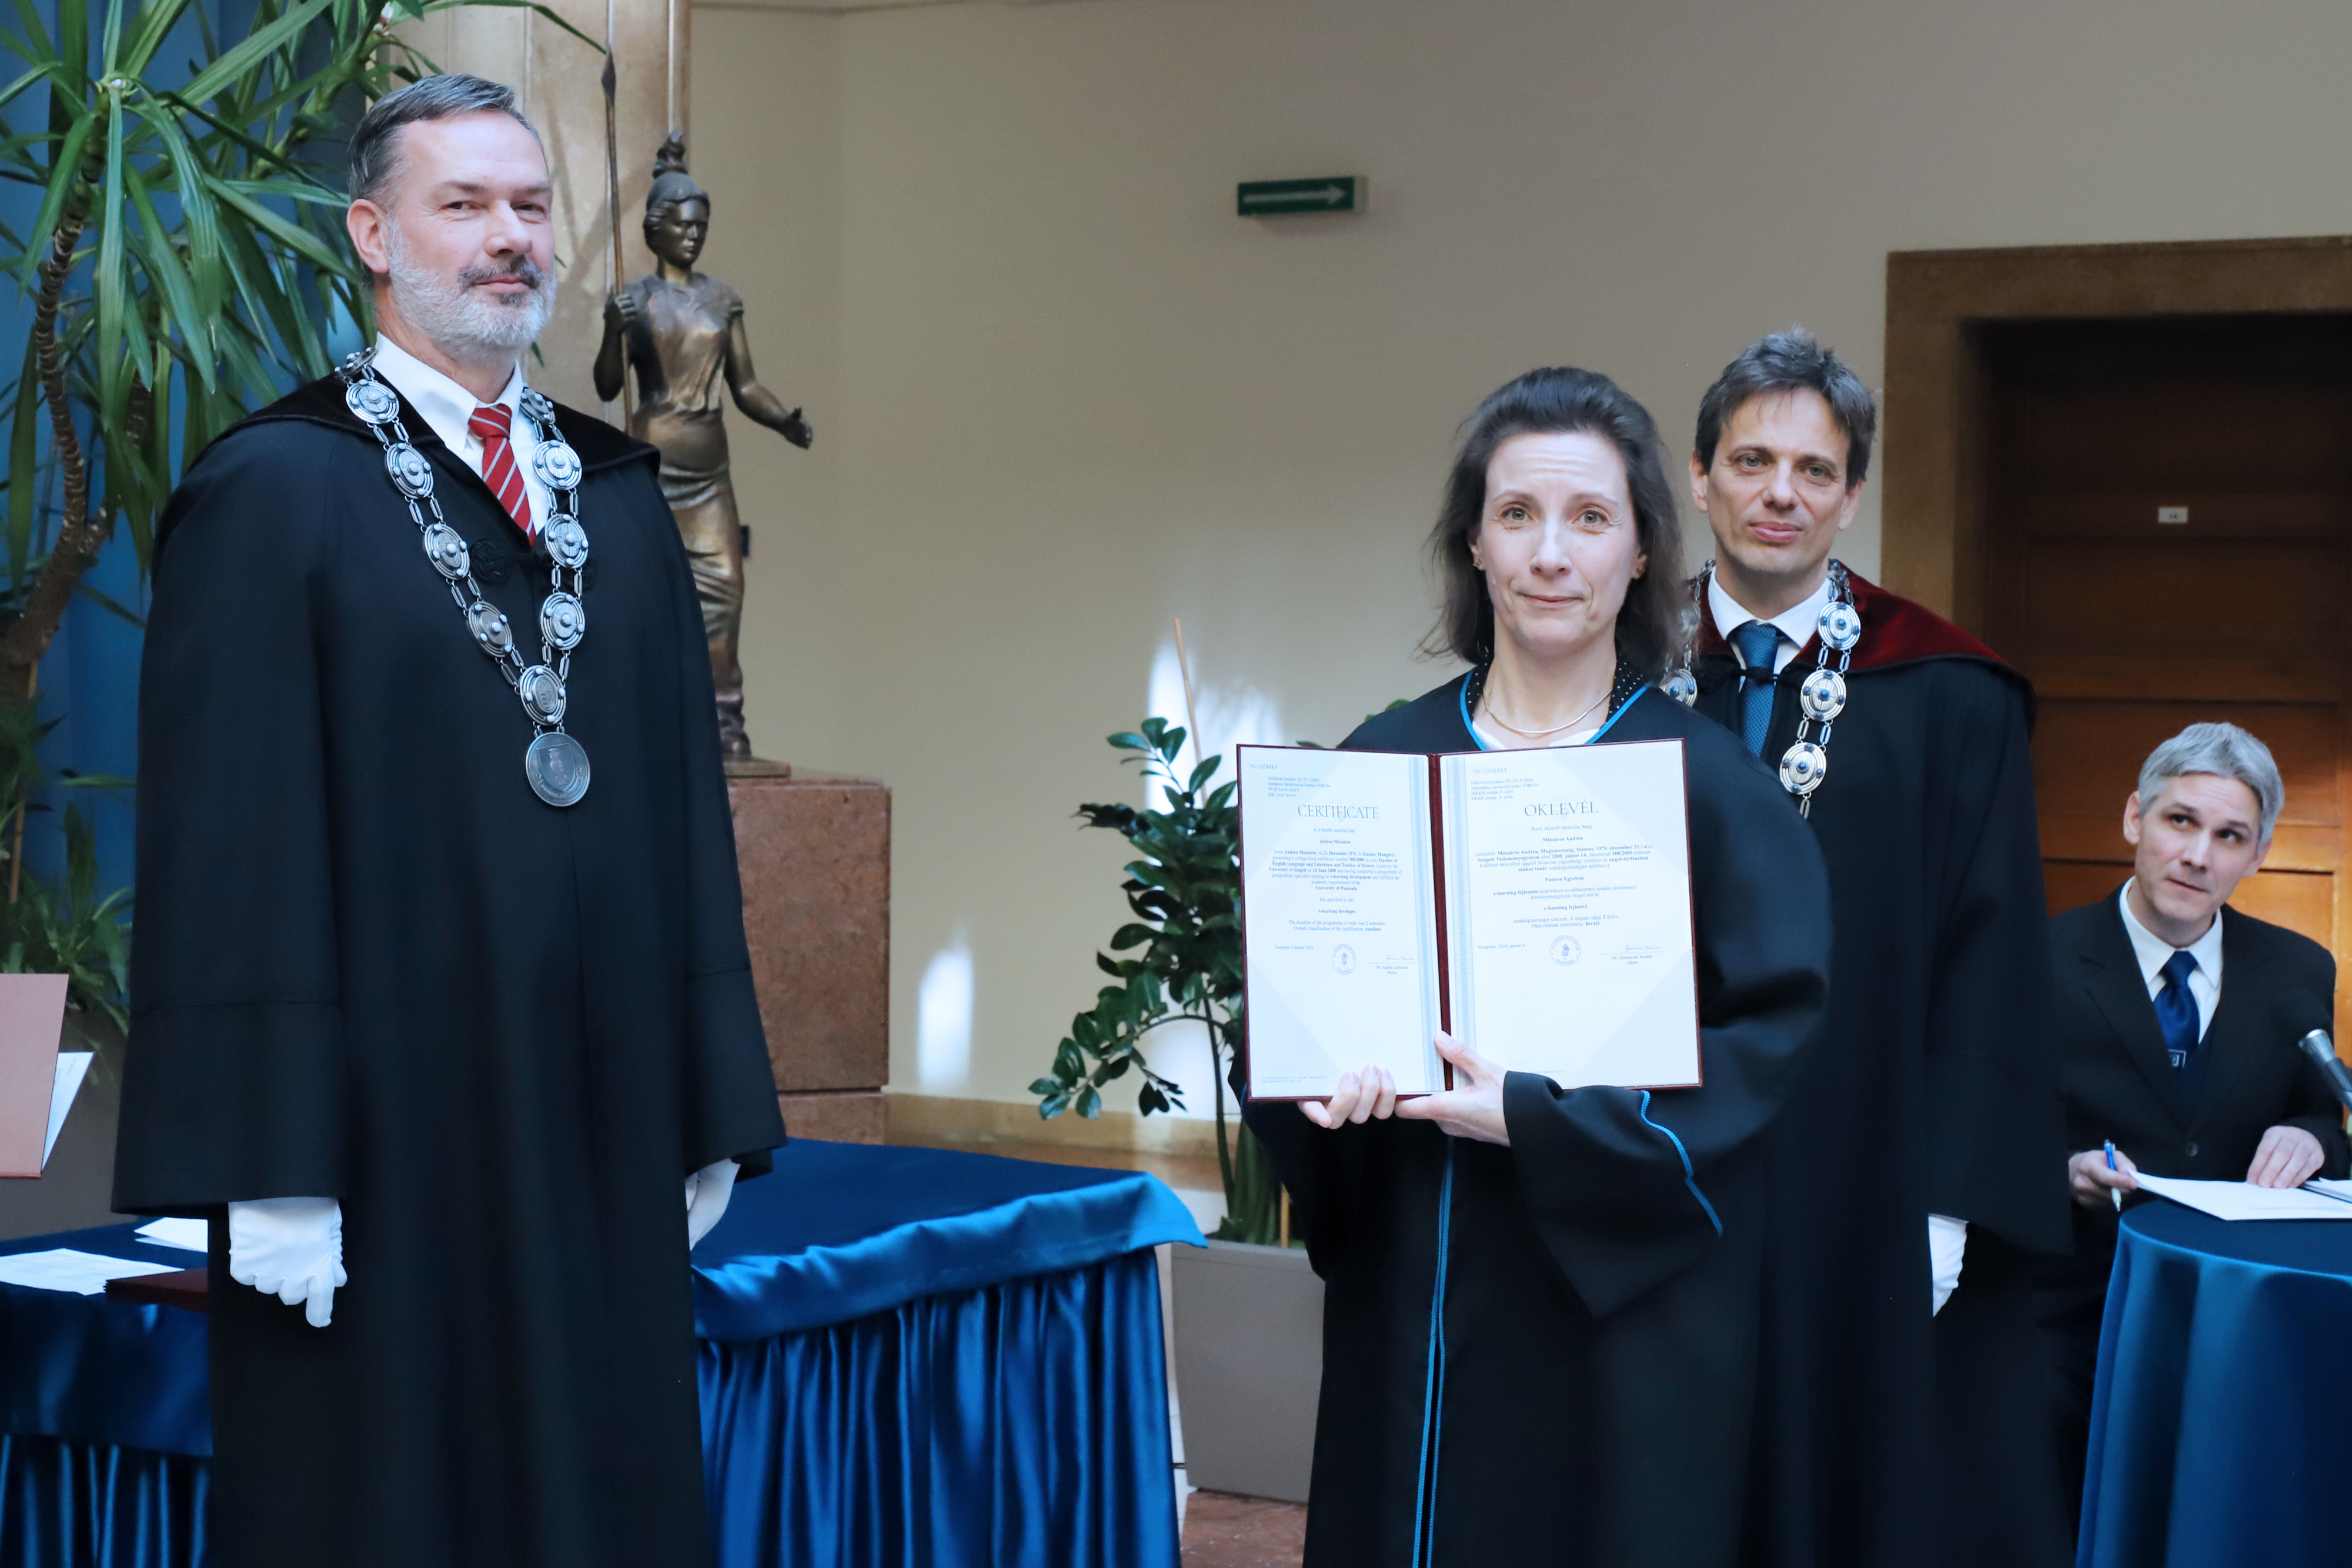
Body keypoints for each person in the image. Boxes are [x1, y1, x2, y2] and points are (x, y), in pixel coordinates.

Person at [111, 75, 786, 1568]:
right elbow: (230, 846)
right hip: (382, 1136)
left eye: (529, 206)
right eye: (463, 204)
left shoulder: (615, 493)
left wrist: (706, 1096)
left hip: (603, 1117)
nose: (508, 238)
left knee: (603, 1499)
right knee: (395, 1501)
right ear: (373, 235)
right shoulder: (274, 488)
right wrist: (268, 1159)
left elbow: (684, 809)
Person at [1244, 366, 1833, 1567]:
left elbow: (1770, 1045)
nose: (1550, 554)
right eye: (1517, 514)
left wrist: (1543, 1119)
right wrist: (1325, 1086)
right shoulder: (1380, 764)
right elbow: (1297, 1004)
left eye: (1588, 517)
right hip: (1416, 1277)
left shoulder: (1711, 789)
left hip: (1621, 1309)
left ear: (1640, 550)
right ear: (1475, 543)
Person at [1674, 330, 2070, 1568]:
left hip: (1857, 1171)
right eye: (1752, 460)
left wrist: (1947, 1198)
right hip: (1643, 1149)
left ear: (1851, 496)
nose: (1779, 493)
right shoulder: (1609, 666)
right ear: (1699, 476)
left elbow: (1988, 960)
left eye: (1814, 469)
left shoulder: (1951, 693)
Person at [2039, 721, 2349, 1524]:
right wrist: (2063, 1169)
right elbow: (1984, 1128)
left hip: (2237, 1306)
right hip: (2070, 1300)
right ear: (2134, 818)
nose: (2198, 855)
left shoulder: (2298, 967)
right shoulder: (2036, 958)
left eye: (2229, 836)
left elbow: (2322, 1114)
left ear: (2258, 853)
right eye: (2180, 821)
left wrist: (2313, 1138)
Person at [593, 132, 811, 764]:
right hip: (653, 461)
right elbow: (608, 386)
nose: (693, 236)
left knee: (725, 591)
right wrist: (612, 330)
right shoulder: (636, 300)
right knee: (650, 595)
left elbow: (746, 386)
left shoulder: (722, 299)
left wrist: (784, 420)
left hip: (709, 468)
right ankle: (651, 721)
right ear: (654, 229)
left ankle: (724, 724)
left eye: (701, 227)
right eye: (683, 226)